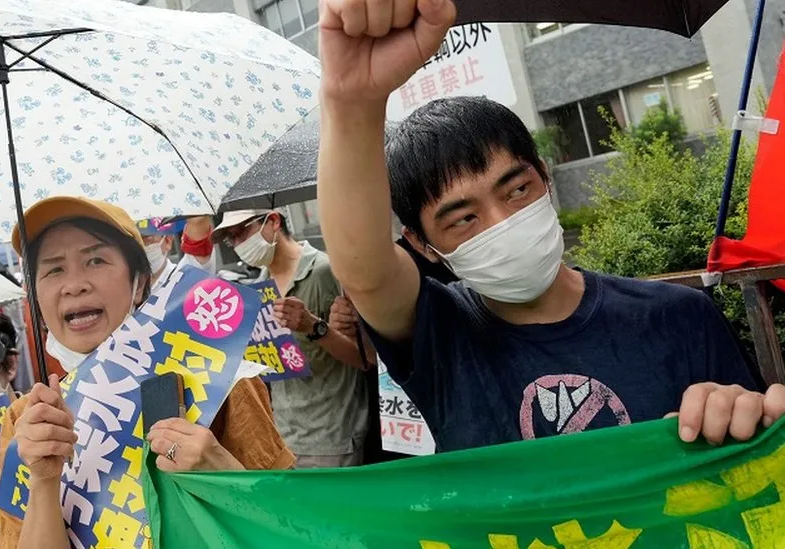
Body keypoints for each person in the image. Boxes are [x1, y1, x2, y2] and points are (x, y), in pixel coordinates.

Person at [315, 0, 785, 453]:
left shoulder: (680, 315)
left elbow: (746, 465)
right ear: (422, 244)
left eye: (516, 190)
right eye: (463, 219)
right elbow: (365, 269)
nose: (503, 222)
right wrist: (350, 100)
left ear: (545, 177)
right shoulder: (438, 334)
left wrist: (740, 415)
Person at [0, 197, 294, 549]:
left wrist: (219, 469)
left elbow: (287, 527)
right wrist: (44, 481)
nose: (74, 284)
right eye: (53, 269)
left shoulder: (220, 380)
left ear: (138, 281)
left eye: (95, 260)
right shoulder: (27, 421)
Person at [213, 209, 370, 468]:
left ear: (273, 221)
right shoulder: (256, 290)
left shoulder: (326, 271)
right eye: (231, 238)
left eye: (243, 231)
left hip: (332, 436)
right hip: (283, 436)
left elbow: (361, 357)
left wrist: (314, 326)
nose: (239, 244)